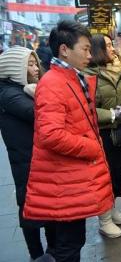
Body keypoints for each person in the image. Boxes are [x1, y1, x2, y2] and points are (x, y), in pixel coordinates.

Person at [23, 20, 114, 261]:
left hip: (69, 180)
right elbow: (50, 134)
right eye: (85, 49)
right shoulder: (53, 83)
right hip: (63, 183)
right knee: (68, 246)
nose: (89, 54)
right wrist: (92, 147)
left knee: (70, 242)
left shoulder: (72, 78)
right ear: (64, 49)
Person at [0, 47, 54, 260]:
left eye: (35, 64)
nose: (35, 69)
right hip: (26, 159)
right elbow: (38, 114)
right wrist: (40, 93)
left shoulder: (23, 87)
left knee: (46, 204)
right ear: (14, 69)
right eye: (29, 65)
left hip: (36, 156)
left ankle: (51, 250)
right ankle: (37, 254)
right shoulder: (9, 94)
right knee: (30, 207)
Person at [86, 33, 121, 239]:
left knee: (117, 171)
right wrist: (112, 114)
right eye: (108, 45)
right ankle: (104, 219)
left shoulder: (118, 69)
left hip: (118, 132)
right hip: (100, 134)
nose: (113, 48)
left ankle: (112, 207)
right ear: (98, 50)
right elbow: (86, 108)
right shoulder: (87, 75)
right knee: (102, 175)